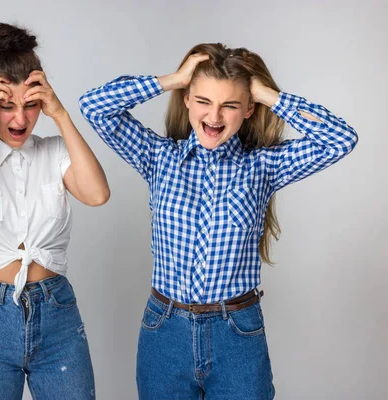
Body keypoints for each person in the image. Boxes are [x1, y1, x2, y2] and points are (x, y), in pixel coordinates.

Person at [79, 43, 357, 399]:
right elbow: (94, 107)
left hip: (236, 334)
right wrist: (173, 80)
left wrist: (268, 94)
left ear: (247, 110)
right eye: (204, 101)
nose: (214, 116)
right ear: (187, 101)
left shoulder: (263, 167)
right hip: (164, 331)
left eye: (229, 105)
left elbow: (340, 140)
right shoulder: (158, 158)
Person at [0, 22, 109, 399]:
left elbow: (97, 194)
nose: (19, 119)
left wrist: (60, 113)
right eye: (5, 106)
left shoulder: (55, 150)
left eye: (31, 106)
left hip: (57, 310)